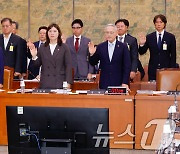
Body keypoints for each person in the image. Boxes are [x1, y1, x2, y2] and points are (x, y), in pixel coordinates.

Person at [28, 23, 72, 89]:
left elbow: (68, 66)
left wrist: (68, 82)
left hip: (59, 81)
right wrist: (34, 56)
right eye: (50, 31)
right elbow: (37, 64)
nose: (52, 33)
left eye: (54, 31)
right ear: (47, 34)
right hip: (46, 82)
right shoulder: (42, 47)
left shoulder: (64, 47)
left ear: (58, 33)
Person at [88, 24, 131, 90]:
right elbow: (93, 62)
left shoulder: (123, 47)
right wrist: (92, 54)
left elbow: (127, 66)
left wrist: (125, 82)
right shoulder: (101, 47)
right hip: (104, 83)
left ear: (116, 33)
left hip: (119, 82)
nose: (109, 34)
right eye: (107, 32)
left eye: (111, 32)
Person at [139, 14, 176, 81]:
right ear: (154, 24)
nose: (159, 24)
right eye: (157, 22)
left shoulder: (170, 37)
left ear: (164, 24)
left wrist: (172, 69)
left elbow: (173, 54)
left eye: (161, 22)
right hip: (153, 69)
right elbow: (142, 52)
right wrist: (142, 44)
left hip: (166, 69)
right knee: (153, 88)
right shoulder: (149, 37)